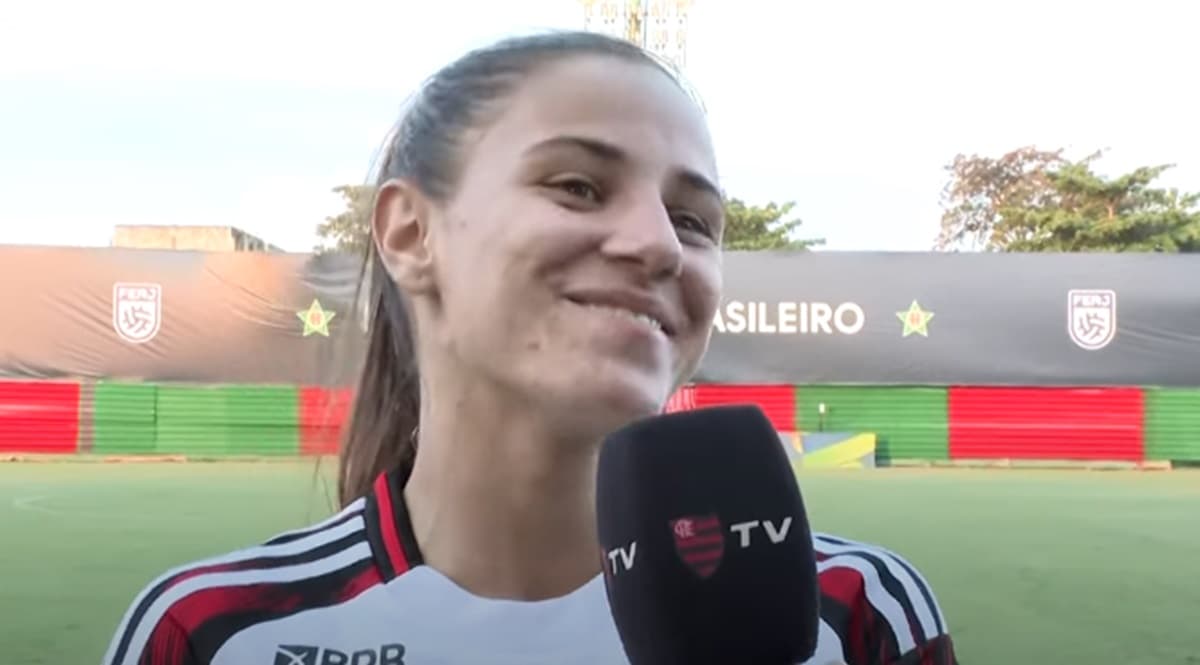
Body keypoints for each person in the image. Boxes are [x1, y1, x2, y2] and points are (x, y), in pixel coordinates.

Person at [101, 30, 958, 665]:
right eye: (579, 186)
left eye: (694, 220)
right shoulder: (212, 629)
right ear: (409, 232)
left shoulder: (856, 612)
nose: (659, 245)